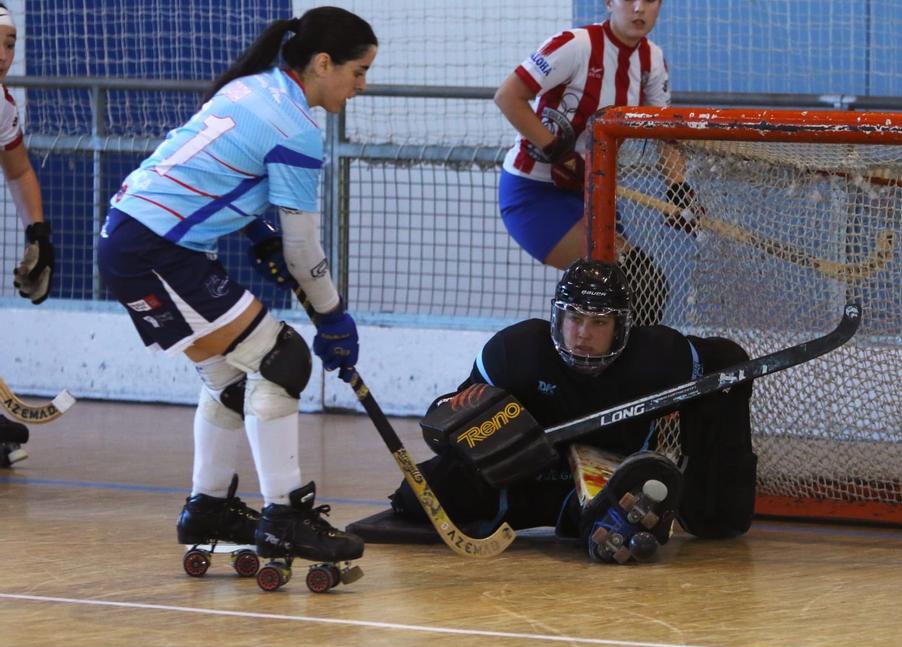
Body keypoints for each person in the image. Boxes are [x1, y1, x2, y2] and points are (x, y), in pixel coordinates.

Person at [96, 7, 375, 579]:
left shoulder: (252, 88)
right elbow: (305, 251)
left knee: (229, 376)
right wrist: (334, 319)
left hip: (134, 238)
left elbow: (214, 171)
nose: (362, 85)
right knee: (281, 361)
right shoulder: (296, 127)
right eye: (358, 70)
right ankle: (285, 514)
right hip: (158, 250)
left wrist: (257, 232)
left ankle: (209, 509)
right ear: (323, 64)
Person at [370, 260, 758, 563]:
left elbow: (728, 362)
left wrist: (710, 483)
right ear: (558, 316)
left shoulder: (657, 356)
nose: (582, 335)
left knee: (641, 486)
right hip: (524, 479)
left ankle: (615, 513)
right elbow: (449, 417)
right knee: (415, 495)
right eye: (574, 318)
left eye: (598, 322)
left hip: (610, 476)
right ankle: (598, 518)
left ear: (621, 327)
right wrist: (458, 423)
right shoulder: (515, 351)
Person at [493, 0, 694, 324]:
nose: (639, 8)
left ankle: (622, 372)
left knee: (623, 300)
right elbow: (508, 96)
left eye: (651, 0)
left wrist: (678, 187)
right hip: (536, 193)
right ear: (609, 3)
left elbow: (665, 133)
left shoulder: (652, 59)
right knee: (635, 281)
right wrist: (558, 151)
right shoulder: (574, 45)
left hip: (594, 191)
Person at [2, 3, 52, 468]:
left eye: (10, 43)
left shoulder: (2, 104)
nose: (3, 53)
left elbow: (17, 171)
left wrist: (39, 233)